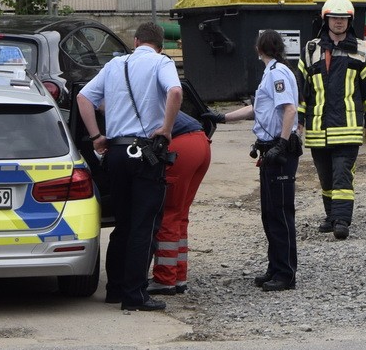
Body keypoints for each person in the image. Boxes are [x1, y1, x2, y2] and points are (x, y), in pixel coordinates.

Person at [76, 22, 182, 311]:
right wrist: (167, 129)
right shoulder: (162, 62)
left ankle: (115, 289)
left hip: (116, 151)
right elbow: (175, 92)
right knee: (143, 226)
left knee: (122, 224)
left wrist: (97, 137)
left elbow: (83, 97)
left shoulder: (114, 65)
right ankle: (135, 296)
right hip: (146, 152)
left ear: (135, 41)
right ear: (159, 45)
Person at [202, 30, 300, 291]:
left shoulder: (277, 73)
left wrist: (282, 142)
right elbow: (257, 109)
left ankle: (286, 274)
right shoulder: (272, 72)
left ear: (258, 49)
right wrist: (222, 118)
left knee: (280, 214)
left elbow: (289, 109)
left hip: (279, 150)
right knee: (270, 214)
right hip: (271, 149)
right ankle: (275, 266)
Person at [298, 0, 366, 240]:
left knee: (342, 174)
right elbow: (303, 89)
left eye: (343, 19)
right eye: (334, 18)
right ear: (326, 20)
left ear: (350, 21)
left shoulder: (361, 51)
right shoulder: (311, 50)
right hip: (318, 127)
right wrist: (299, 120)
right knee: (325, 177)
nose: (339, 23)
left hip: (348, 126)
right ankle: (331, 216)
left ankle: (342, 221)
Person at [147, 110, 211, 296]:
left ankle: (165, 280)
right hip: (200, 142)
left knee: (168, 214)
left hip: (181, 146)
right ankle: (178, 276)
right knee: (180, 214)